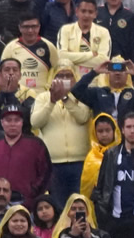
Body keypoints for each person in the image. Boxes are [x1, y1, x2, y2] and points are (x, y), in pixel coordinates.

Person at [29, 61, 90, 208]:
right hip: (53, 164)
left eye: (68, 75)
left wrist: (65, 98)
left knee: (80, 205)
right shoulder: (43, 97)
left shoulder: (81, 96)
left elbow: (83, 117)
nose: (64, 79)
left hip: (80, 162)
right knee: (58, 206)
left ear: (75, 78)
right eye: (59, 76)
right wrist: (51, 101)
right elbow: (35, 122)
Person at [0, 105, 52, 209]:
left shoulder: (36, 145)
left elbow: (46, 174)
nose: (12, 124)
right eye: (8, 120)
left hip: (26, 205)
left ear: (22, 122)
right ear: (2, 123)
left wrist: (32, 194)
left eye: (16, 120)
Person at [0, 14, 60, 94]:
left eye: (34, 26)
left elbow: (58, 70)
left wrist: (49, 87)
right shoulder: (11, 47)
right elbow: (2, 72)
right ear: (20, 28)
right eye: (26, 27)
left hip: (42, 97)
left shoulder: (49, 46)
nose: (30, 30)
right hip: (17, 96)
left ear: (39, 27)